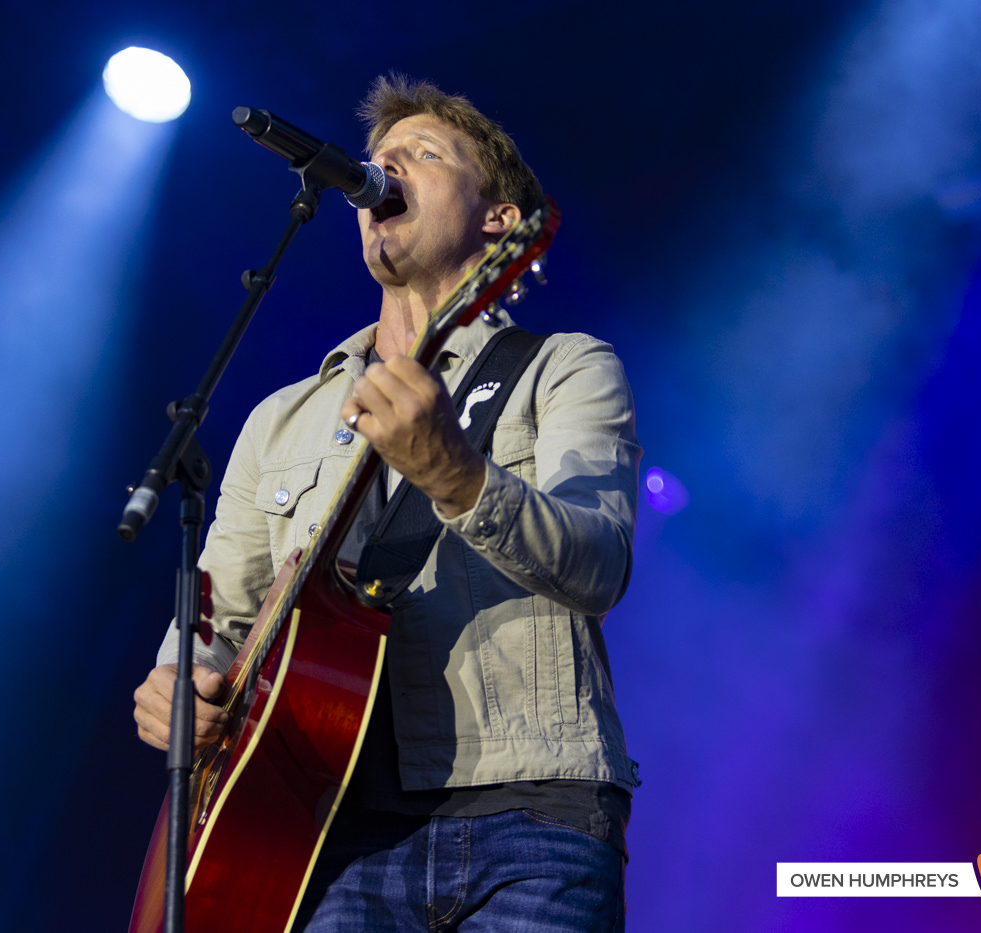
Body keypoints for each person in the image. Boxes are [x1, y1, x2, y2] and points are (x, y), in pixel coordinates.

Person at [133, 73, 642, 931]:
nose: (384, 169)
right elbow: (220, 610)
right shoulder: (283, 416)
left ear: (498, 221)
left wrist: (458, 474)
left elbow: (597, 561)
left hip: (532, 813)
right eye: (377, 161)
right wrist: (180, 677)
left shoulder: (563, 367)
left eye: (424, 155)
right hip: (327, 830)